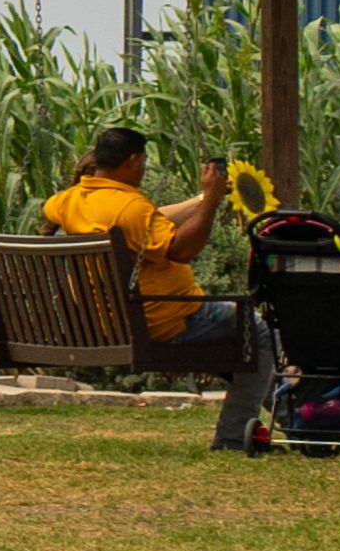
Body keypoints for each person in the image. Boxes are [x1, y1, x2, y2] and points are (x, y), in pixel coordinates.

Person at [39, 125, 266, 450]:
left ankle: (290, 417)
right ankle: (234, 438)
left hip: (108, 324)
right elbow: (182, 251)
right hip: (166, 322)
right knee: (256, 331)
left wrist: (199, 200)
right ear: (133, 161)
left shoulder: (69, 201)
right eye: (144, 161)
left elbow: (57, 209)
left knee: (244, 348)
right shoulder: (133, 208)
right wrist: (211, 202)